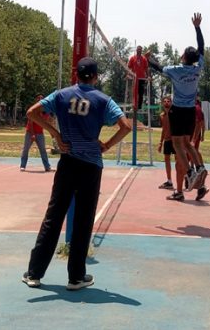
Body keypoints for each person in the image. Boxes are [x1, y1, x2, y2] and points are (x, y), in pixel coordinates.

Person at [23, 57, 131, 291]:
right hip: (91, 164)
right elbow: (126, 126)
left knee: (54, 216)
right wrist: (108, 145)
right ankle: (76, 277)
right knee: (83, 220)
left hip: (68, 161)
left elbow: (32, 112)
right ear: (95, 76)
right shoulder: (103, 100)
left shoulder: (61, 95)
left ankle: (34, 273)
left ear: (76, 74)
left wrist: (56, 134)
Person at [146, 13, 208, 202]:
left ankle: (190, 173)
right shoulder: (197, 68)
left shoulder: (176, 70)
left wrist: (149, 59)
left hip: (178, 110)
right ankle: (199, 167)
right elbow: (202, 48)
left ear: (183, 57)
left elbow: (158, 68)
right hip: (190, 111)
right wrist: (197, 28)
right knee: (187, 143)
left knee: (177, 143)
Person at [20, 94, 52, 172]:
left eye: (42, 98)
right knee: (26, 149)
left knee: (43, 150)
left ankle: (47, 166)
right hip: (30, 132)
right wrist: (33, 134)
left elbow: (47, 122)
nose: (40, 99)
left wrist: (52, 133)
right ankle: (23, 165)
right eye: (38, 98)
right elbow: (30, 122)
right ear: (36, 100)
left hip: (40, 133)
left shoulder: (45, 110)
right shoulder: (33, 109)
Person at [157, 95, 174, 190]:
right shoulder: (162, 115)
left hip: (176, 140)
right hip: (167, 141)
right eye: (165, 101)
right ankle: (169, 181)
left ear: (171, 103)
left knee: (178, 161)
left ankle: (186, 178)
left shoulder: (175, 114)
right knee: (167, 160)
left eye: (168, 101)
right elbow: (164, 129)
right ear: (163, 103)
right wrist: (160, 142)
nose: (167, 102)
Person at [128, 45, 149, 110]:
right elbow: (128, 67)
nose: (139, 50)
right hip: (135, 78)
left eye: (140, 49)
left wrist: (148, 76)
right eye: (138, 49)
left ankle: (139, 107)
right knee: (134, 92)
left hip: (141, 78)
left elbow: (146, 68)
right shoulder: (132, 58)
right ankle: (133, 106)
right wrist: (128, 75)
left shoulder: (144, 59)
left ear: (141, 50)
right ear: (136, 50)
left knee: (141, 93)